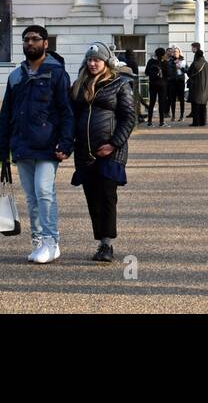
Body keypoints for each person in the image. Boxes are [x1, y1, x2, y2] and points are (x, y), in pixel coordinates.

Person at [0, 26, 74, 264]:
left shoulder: (57, 73)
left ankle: (52, 241)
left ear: (45, 43)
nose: (30, 43)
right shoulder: (16, 76)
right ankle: (38, 241)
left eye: (35, 39)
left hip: (48, 145)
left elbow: (66, 112)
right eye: (26, 40)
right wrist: (3, 150)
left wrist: (66, 142)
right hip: (22, 145)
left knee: (44, 192)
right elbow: (6, 114)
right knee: (31, 197)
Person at [69, 41, 137, 263]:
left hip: (110, 151)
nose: (92, 63)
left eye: (97, 60)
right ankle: (100, 241)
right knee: (92, 198)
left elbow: (128, 117)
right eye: (89, 60)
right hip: (85, 152)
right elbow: (71, 118)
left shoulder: (119, 84)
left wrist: (114, 144)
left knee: (107, 196)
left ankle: (107, 244)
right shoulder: (79, 85)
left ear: (106, 62)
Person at [187, 43, 208, 126]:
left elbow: (189, 72)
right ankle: (203, 122)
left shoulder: (195, 63)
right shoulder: (207, 64)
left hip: (196, 86)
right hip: (205, 87)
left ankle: (196, 122)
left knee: (195, 105)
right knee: (203, 105)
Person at [144, 47, 168, 127]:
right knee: (161, 103)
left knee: (152, 103)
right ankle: (161, 122)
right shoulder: (165, 62)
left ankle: (149, 122)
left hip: (152, 84)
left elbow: (146, 72)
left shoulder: (150, 61)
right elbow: (168, 74)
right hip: (162, 85)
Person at [165, 46, 187, 121]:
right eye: (173, 52)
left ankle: (181, 115)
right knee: (172, 99)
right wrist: (174, 64)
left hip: (180, 81)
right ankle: (173, 115)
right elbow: (168, 70)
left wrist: (181, 67)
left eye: (176, 52)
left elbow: (187, 70)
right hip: (172, 81)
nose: (174, 53)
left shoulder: (183, 60)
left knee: (181, 99)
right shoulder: (170, 61)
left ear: (179, 53)